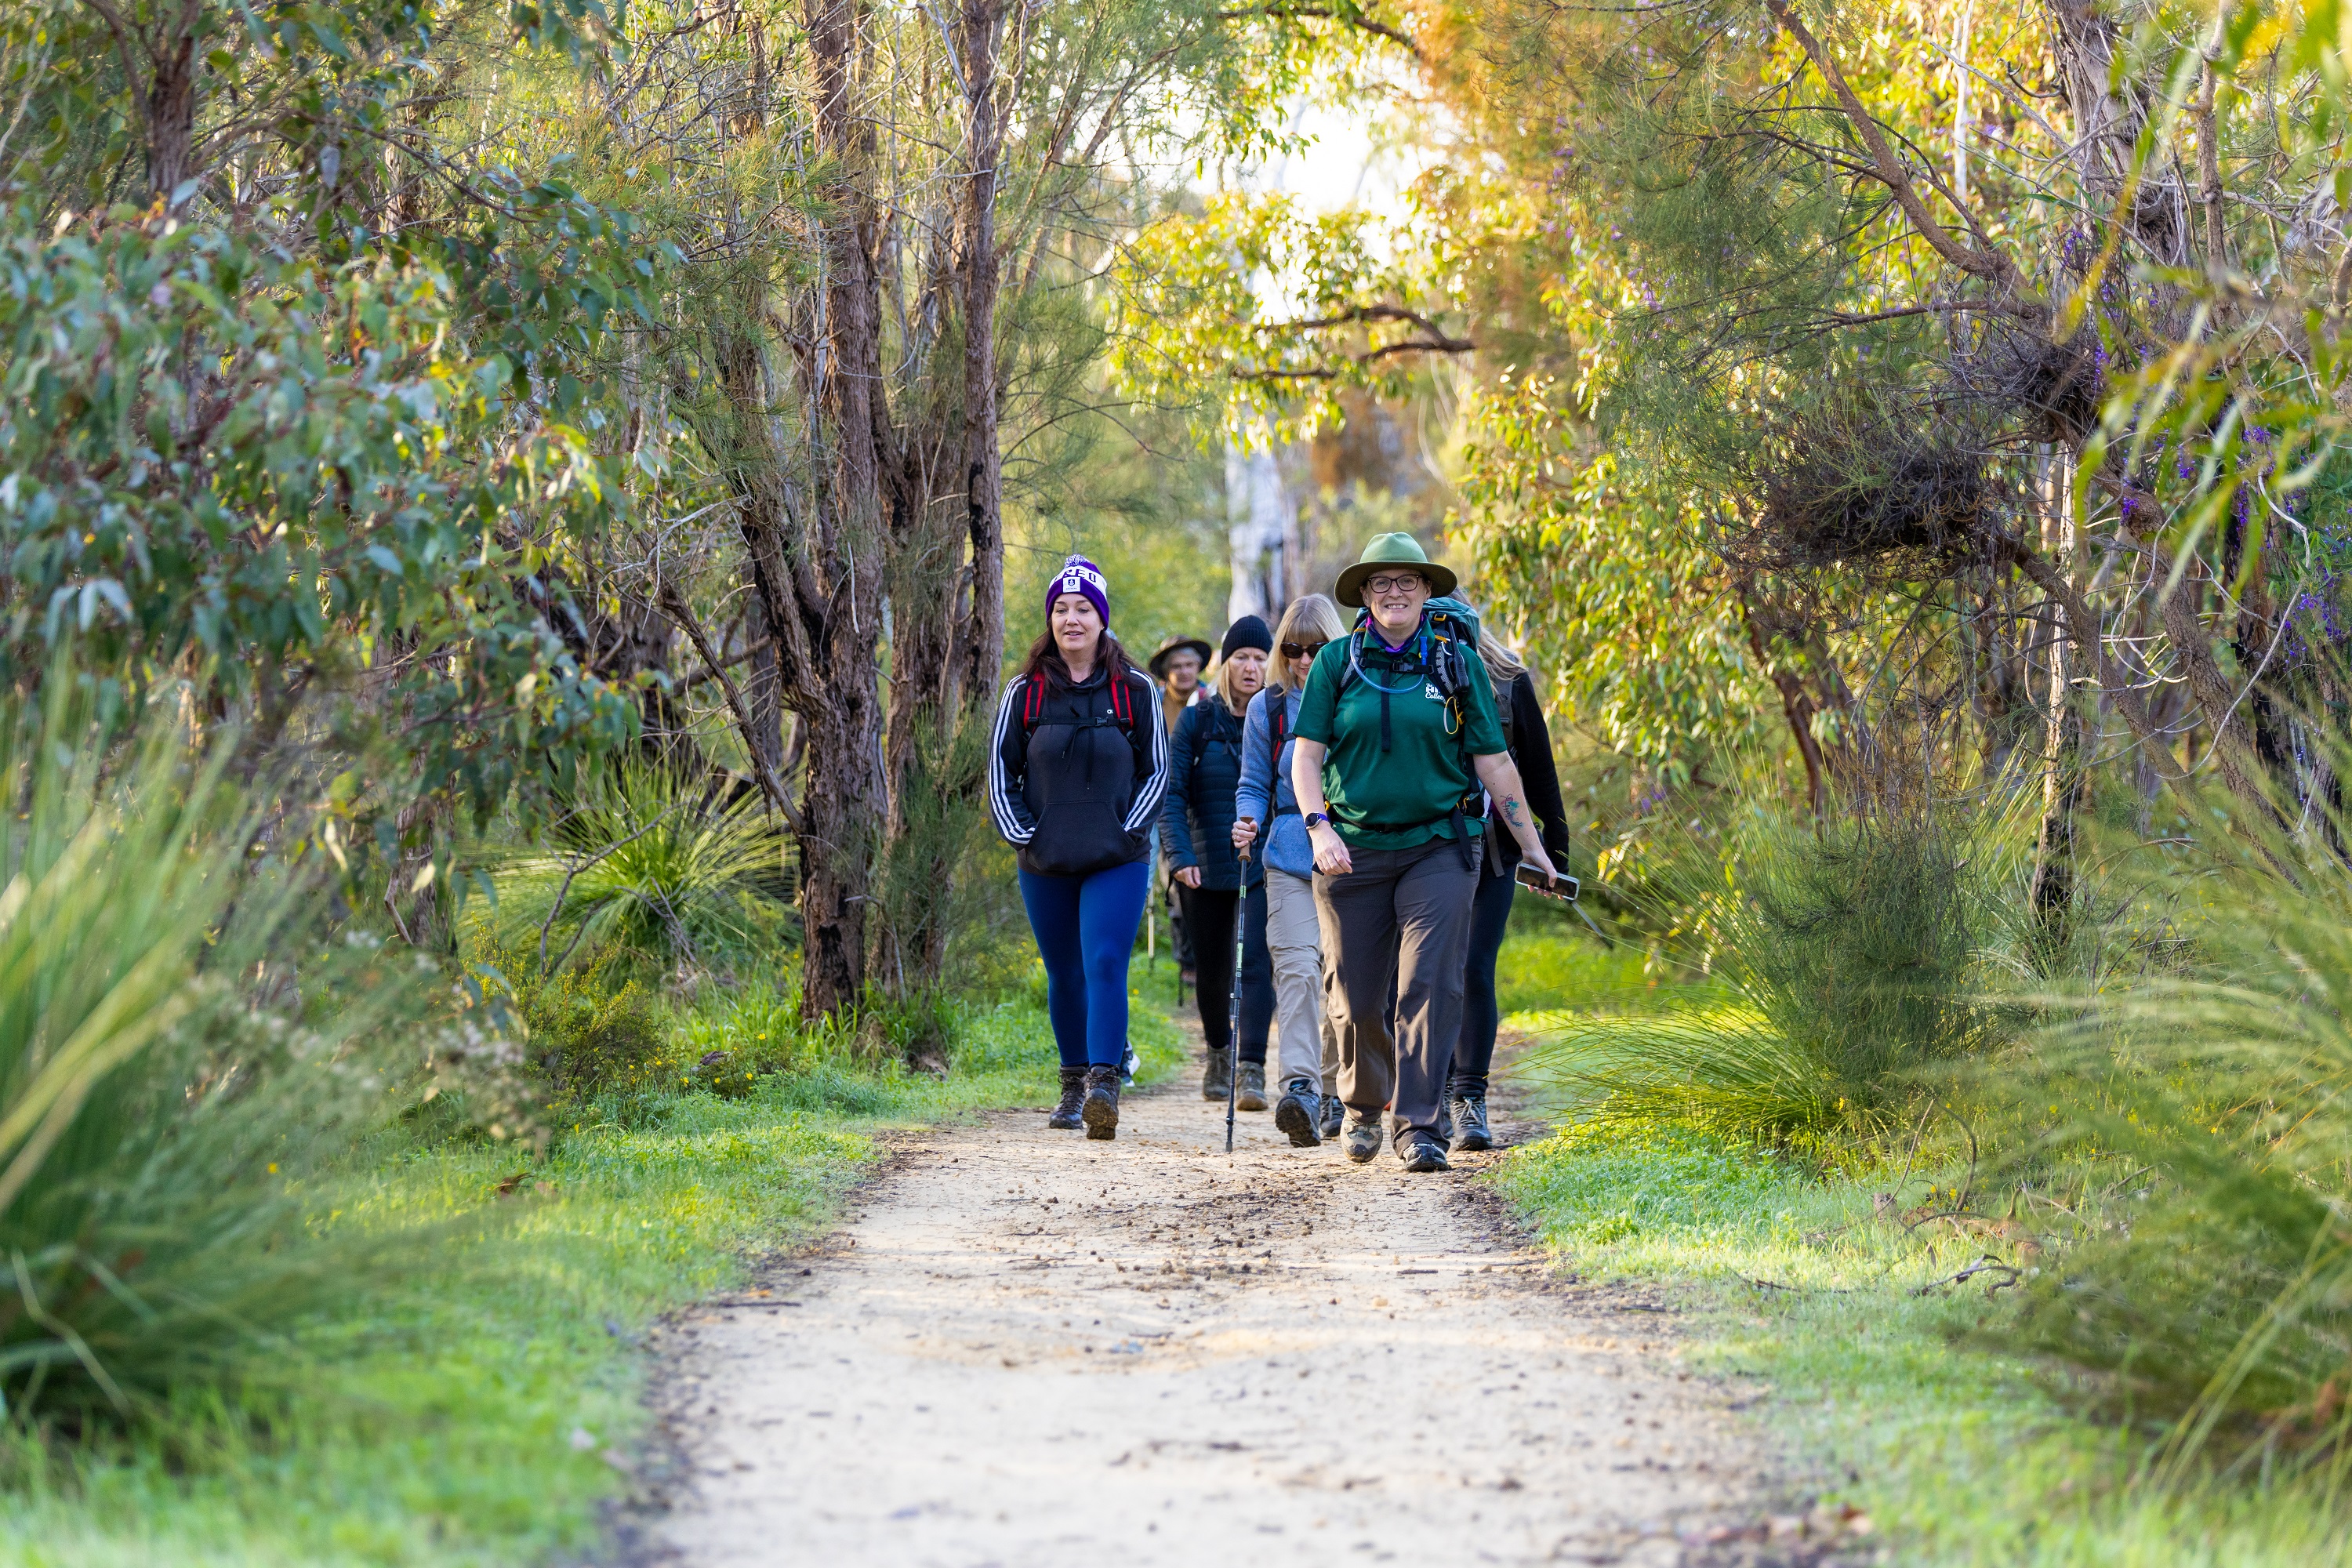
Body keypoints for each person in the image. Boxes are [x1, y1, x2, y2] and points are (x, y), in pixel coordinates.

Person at [1289, 534, 1560, 1173]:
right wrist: (1317, 827)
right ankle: (1361, 1108)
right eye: (1381, 582)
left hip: (1441, 845)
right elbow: (1307, 756)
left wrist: (1535, 847)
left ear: (1428, 591)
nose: (1394, 592)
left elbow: (1495, 764)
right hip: (1350, 850)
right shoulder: (1334, 663)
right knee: (1356, 997)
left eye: (1407, 581)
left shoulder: (1456, 663)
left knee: (1430, 984)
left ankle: (1420, 1127)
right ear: (1363, 595)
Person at [989, 557, 1170, 1140]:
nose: (1072, 619)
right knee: (1064, 973)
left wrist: (1128, 830)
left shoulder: (1136, 689)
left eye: (1083, 609)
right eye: (1062, 609)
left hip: (1117, 857)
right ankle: (1071, 1086)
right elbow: (1001, 772)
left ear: (1101, 619)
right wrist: (1024, 835)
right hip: (1045, 861)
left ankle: (1104, 1086)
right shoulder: (1024, 692)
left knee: (1106, 963)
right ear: (1051, 619)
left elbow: (1157, 772)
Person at [1425, 597, 1574, 1155]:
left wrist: (1555, 850)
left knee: (1472, 966)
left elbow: (1538, 770)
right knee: (1423, 970)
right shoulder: (1401, 677)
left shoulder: (1509, 680)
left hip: (1490, 848)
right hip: (1422, 845)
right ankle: (1431, 1094)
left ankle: (1469, 1097)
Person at [1233, 593, 1349, 1147]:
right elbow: (1254, 780)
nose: (1305, 661)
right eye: (1295, 650)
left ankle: (1335, 1090)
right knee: (1299, 970)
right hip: (1284, 854)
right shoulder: (1268, 707)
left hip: (1349, 857)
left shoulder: (1357, 697)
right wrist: (1247, 820)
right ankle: (1300, 1088)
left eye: (1317, 649)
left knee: (1342, 981)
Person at [1162, 618, 1277, 1109]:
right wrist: (1179, 856)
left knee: (1256, 965)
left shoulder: (1280, 716)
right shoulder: (1197, 719)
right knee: (1211, 968)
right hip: (1204, 865)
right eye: (1242, 658)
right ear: (1225, 665)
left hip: (1265, 864)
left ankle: (1251, 1069)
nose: (1251, 668)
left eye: (1259, 658)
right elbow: (1171, 795)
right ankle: (1218, 1054)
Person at [1149, 633, 1214, 991]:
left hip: (1201, 803)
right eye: (1177, 666)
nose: (1185, 672)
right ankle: (1186, 959)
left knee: (1202, 879)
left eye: (1190, 665)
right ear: (1165, 673)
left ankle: (1204, 957)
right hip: (1159, 803)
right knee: (1171, 882)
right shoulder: (1152, 704)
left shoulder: (1211, 699)